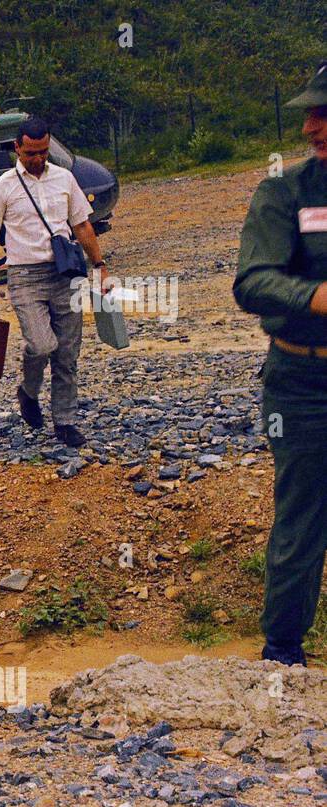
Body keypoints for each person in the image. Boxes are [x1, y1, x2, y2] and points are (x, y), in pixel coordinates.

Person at [233, 61, 327, 667]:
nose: (311, 126)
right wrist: (315, 297)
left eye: (325, 115)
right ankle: (284, 654)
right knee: (300, 520)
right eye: (309, 115)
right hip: (302, 381)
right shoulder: (283, 193)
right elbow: (252, 282)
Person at [0, 116, 108, 448]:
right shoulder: (3, 186)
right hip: (25, 277)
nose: (37, 159)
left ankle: (64, 422)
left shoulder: (64, 179)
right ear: (17, 148)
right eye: (30, 153)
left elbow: (82, 227)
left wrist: (101, 266)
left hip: (65, 274)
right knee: (42, 344)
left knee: (67, 353)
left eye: (43, 152)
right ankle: (28, 391)